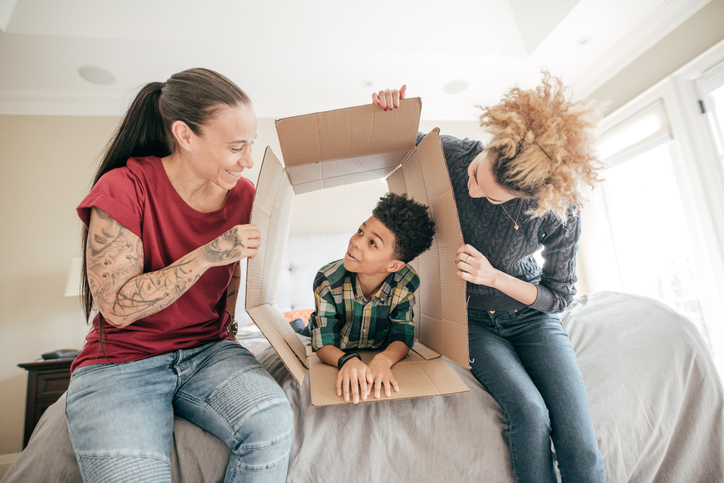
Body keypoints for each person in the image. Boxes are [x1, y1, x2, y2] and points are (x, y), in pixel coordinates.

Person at [372, 76, 606, 482]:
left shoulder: (558, 211)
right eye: (478, 172)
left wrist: (494, 276)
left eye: (492, 195)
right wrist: (388, 110)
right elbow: (392, 140)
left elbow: (560, 296)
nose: (473, 189)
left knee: (579, 440)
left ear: (526, 197)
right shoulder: (453, 153)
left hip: (532, 318)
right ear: (490, 146)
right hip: (473, 321)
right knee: (530, 415)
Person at [66, 68, 293, 483]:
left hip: (208, 351)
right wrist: (207, 255)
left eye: (252, 145)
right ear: (186, 137)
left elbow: (234, 278)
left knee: (273, 422)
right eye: (236, 147)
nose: (248, 161)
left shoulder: (243, 196)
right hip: (122, 362)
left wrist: (227, 327)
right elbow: (116, 308)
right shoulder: (124, 187)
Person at [292, 193, 435, 404]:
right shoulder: (328, 280)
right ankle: (297, 323)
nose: (356, 242)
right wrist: (347, 360)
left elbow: (402, 335)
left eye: (372, 243)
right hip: (336, 340)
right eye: (360, 231)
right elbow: (323, 343)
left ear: (394, 266)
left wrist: (384, 359)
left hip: (376, 343)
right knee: (303, 330)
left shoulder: (406, 283)